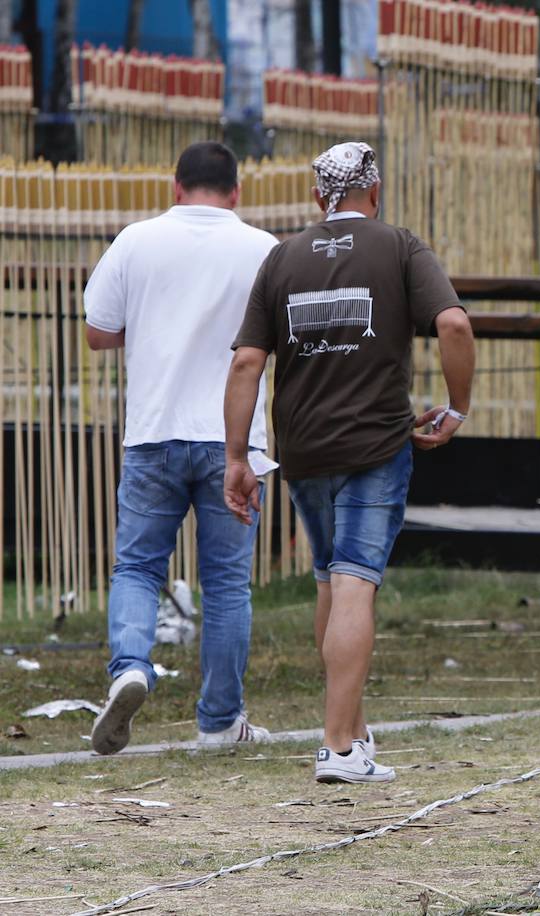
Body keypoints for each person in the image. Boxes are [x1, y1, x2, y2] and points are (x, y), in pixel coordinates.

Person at [223, 141, 475, 784]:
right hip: (375, 447)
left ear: (317, 197)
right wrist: (457, 407)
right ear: (376, 188)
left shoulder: (281, 256)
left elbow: (247, 361)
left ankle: (354, 731)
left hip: (303, 449)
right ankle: (336, 748)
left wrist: (236, 456)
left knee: (332, 581)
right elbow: (453, 325)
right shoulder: (399, 247)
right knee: (357, 581)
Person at [85, 142, 278, 755]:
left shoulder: (135, 241)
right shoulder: (264, 249)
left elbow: (97, 331)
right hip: (235, 443)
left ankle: (131, 668)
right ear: (237, 192)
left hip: (153, 432)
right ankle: (220, 721)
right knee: (225, 583)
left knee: (138, 567)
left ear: (175, 186)